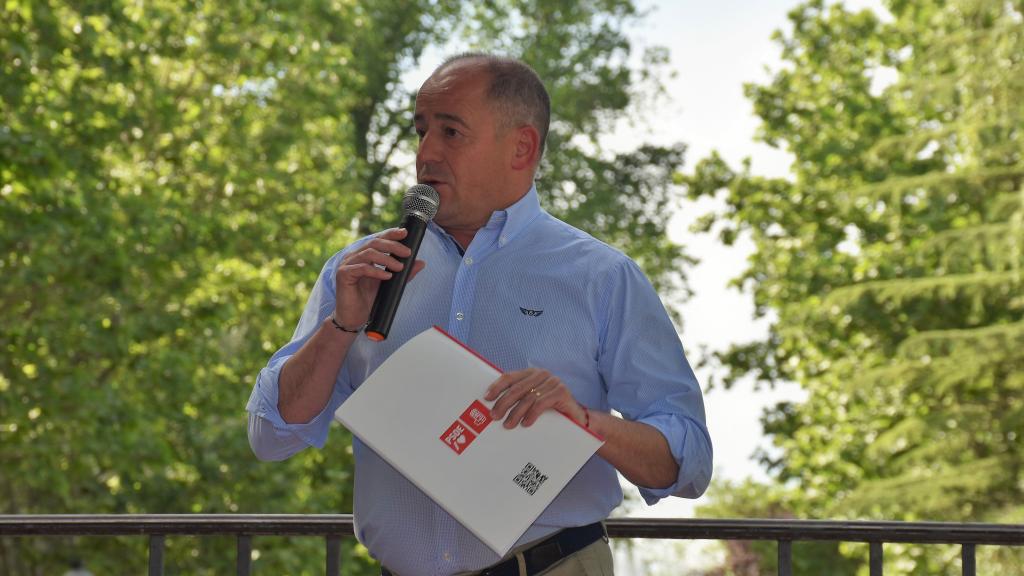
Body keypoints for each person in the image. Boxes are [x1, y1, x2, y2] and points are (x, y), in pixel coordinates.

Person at [247, 53, 712, 576]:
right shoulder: (362, 270)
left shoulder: (601, 277)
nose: (426, 153)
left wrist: (582, 422)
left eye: (451, 132)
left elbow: (687, 460)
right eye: (421, 131)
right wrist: (340, 327)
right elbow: (271, 435)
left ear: (522, 147)